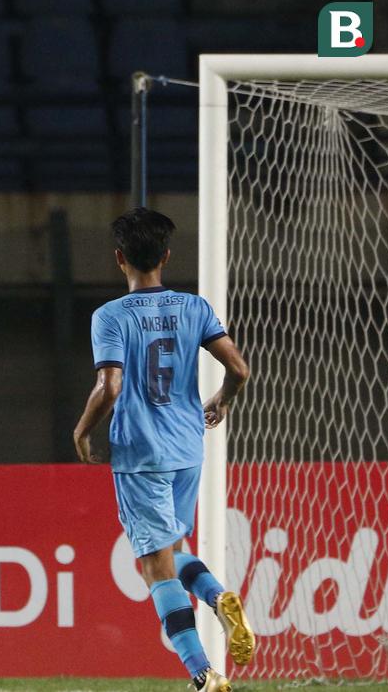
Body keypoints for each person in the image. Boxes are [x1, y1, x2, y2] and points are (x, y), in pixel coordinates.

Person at [72, 207, 255, 692]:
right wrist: (223, 399)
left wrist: (83, 430)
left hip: (141, 453)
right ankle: (218, 600)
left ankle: (203, 673)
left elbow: (108, 386)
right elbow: (238, 368)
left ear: (119, 259)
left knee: (155, 569)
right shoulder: (194, 308)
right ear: (167, 256)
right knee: (172, 550)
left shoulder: (110, 316)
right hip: (188, 448)